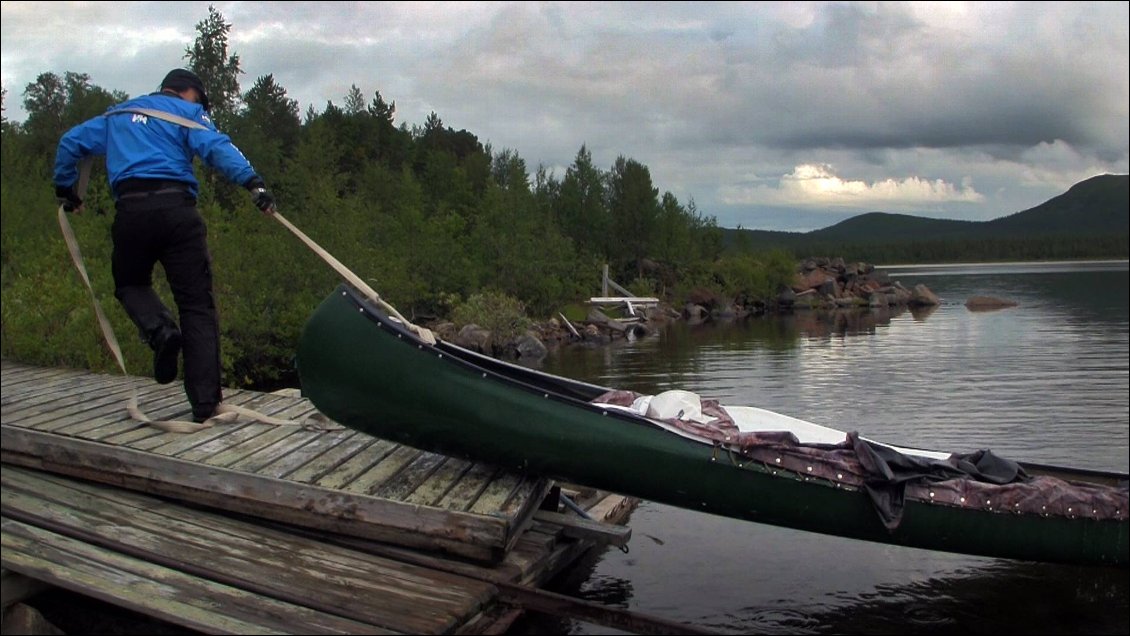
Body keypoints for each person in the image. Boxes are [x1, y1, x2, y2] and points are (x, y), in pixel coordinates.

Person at [53, 68, 276, 423]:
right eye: (201, 101)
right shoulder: (188, 113)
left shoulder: (116, 116)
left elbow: (70, 143)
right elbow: (217, 146)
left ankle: (160, 331)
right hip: (177, 213)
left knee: (129, 284)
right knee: (197, 307)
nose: (202, 106)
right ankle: (205, 405)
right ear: (189, 92)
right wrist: (253, 184)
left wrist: (68, 191)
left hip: (131, 212)